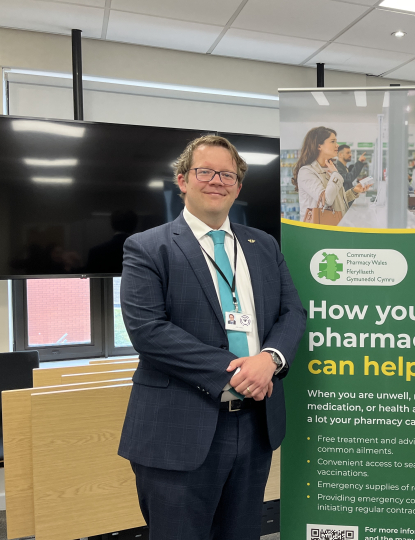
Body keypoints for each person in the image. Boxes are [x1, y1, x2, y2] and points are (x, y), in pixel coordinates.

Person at [118, 134, 307, 540]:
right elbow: (148, 330)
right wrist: (241, 371)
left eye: (228, 174)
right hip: (179, 427)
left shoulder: (263, 245)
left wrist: (269, 359)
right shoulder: (148, 248)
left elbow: (292, 312)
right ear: (182, 180)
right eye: (205, 171)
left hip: (255, 426)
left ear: (238, 187)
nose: (217, 181)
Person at [293, 127, 370, 223]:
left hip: (335, 225)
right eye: (332, 141)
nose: (337, 145)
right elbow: (327, 200)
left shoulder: (330, 169)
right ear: (319, 146)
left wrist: (354, 191)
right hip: (317, 231)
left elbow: (336, 200)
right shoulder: (307, 172)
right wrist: (335, 174)